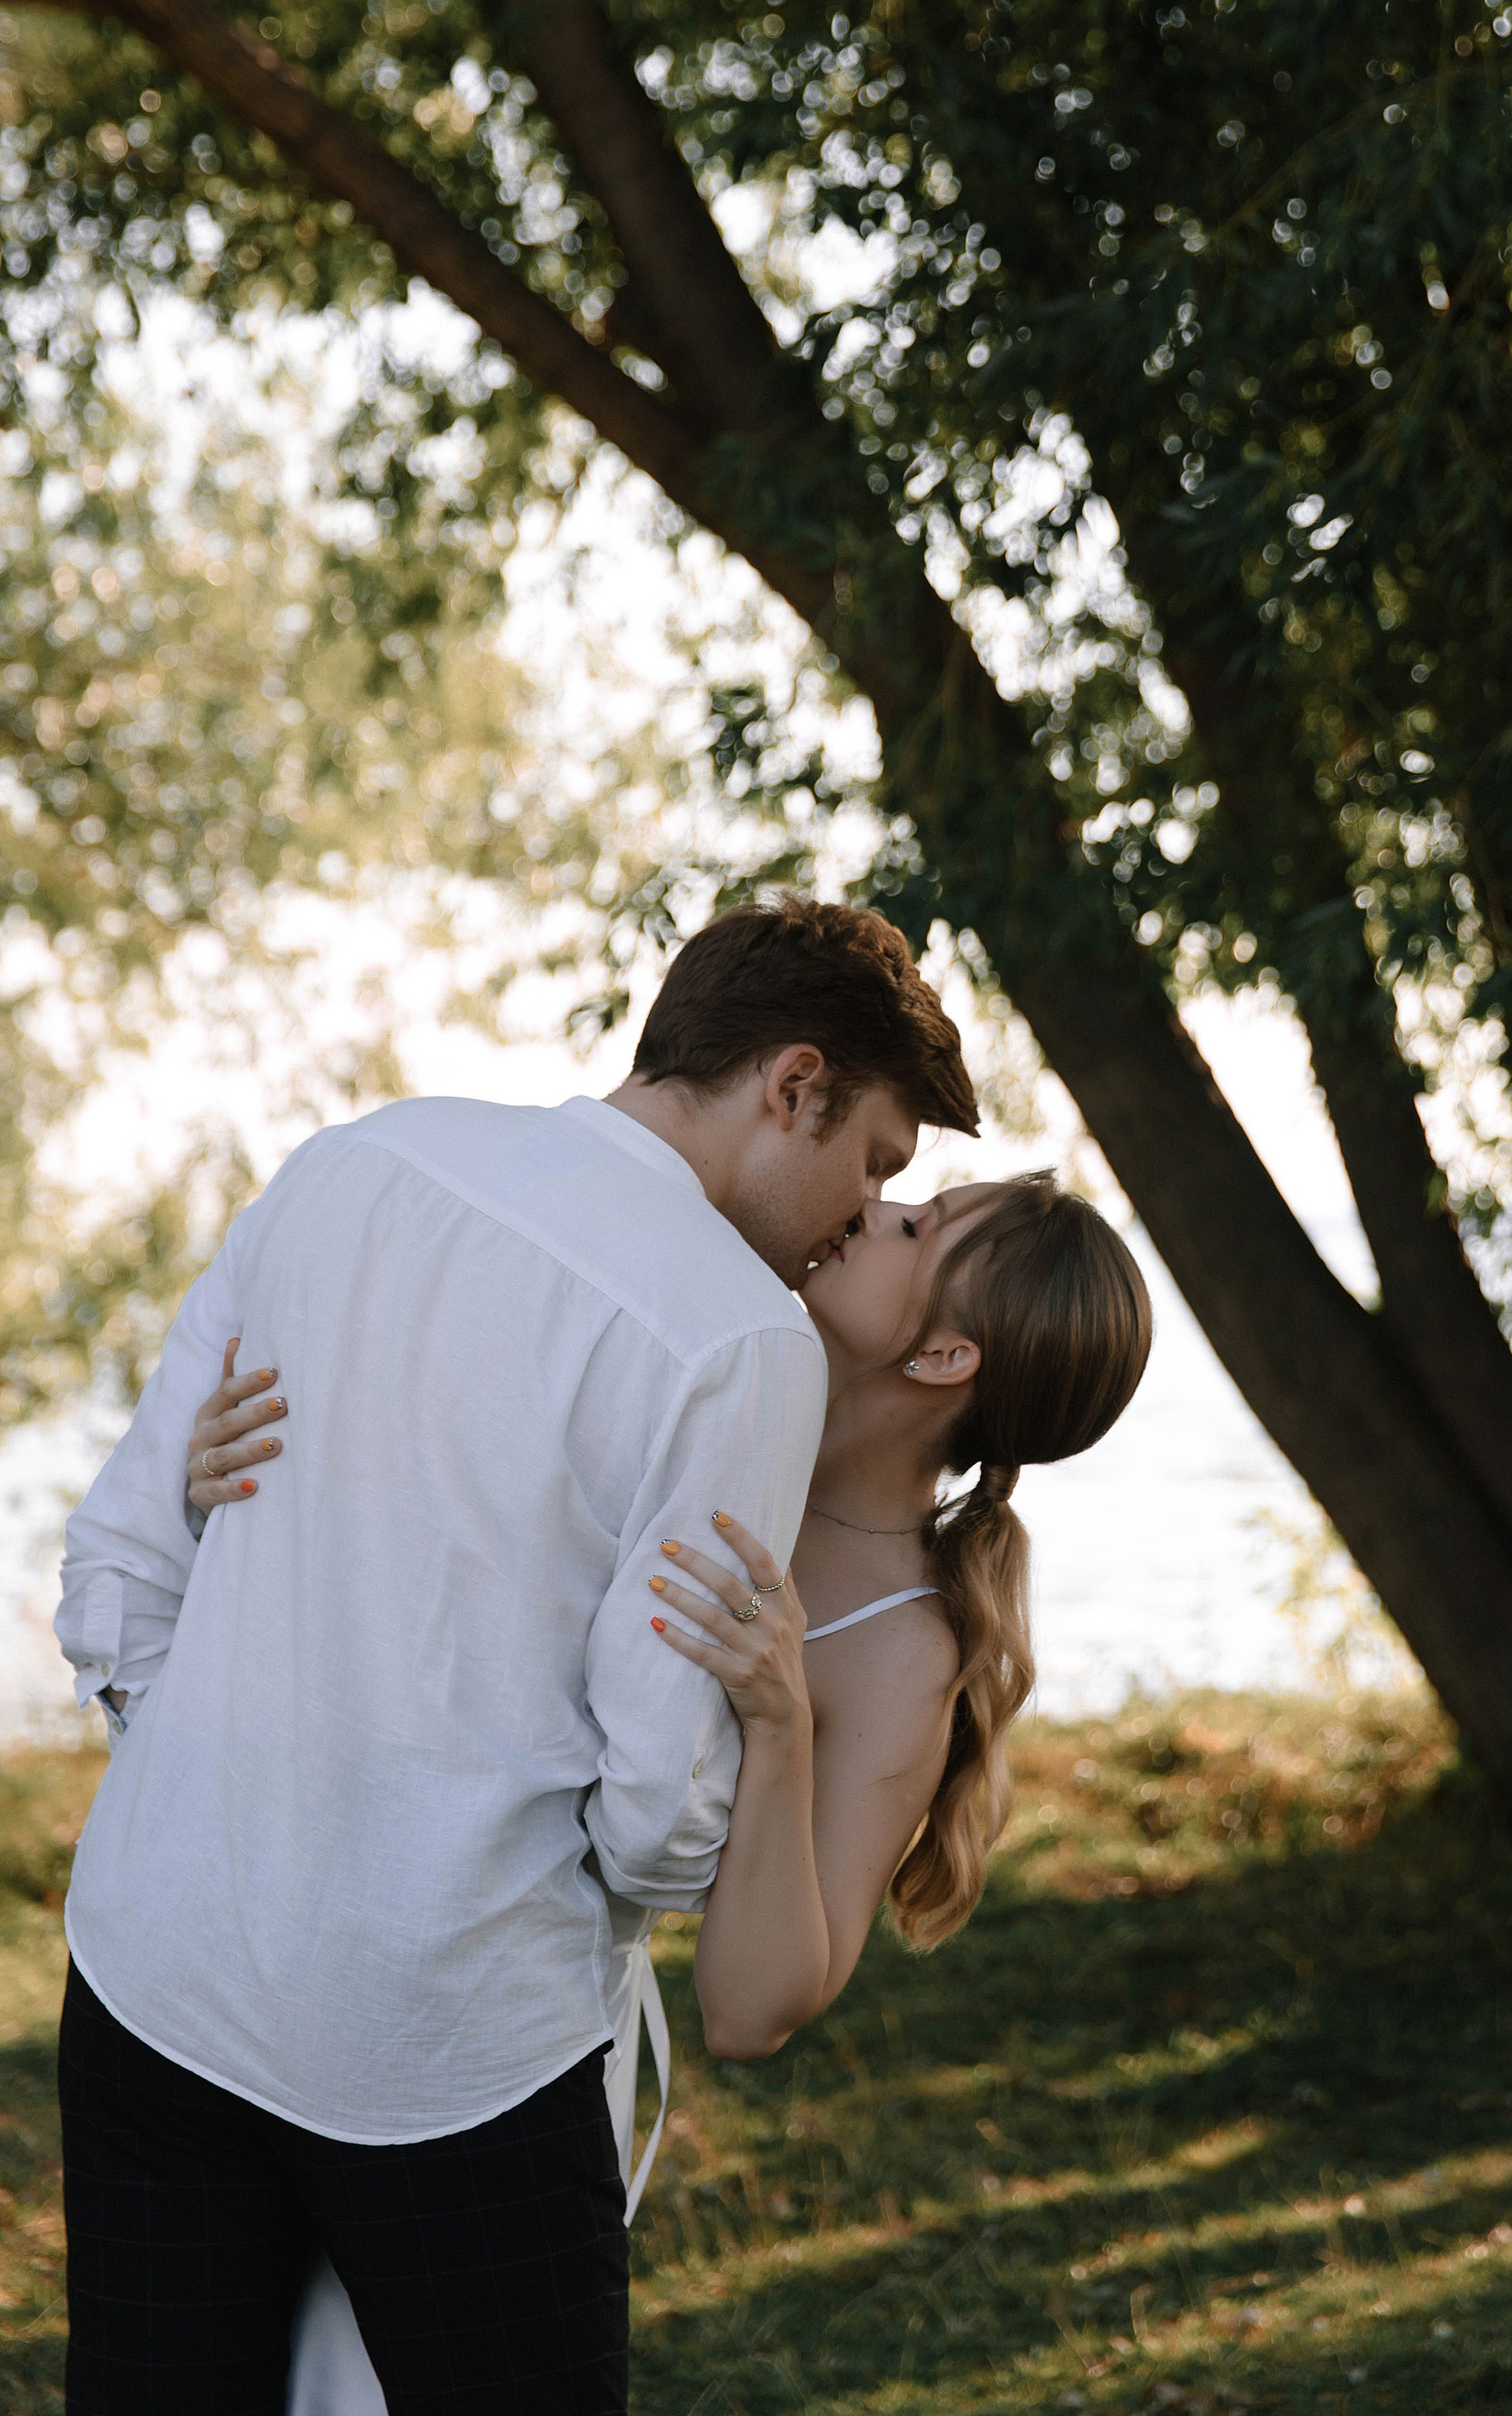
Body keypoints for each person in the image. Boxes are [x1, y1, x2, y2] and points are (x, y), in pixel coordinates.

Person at [52, 898, 979, 2416]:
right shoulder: (743, 1340)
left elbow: (120, 1575)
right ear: (792, 1085)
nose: (856, 1210)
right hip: (452, 2049)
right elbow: (661, 1817)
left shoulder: (356, 1161)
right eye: (874, 1160)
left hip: (160, 1972)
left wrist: (211, 1759)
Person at [183, 1164, 1153, 2413]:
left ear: (945, 1358)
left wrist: (781, 1716)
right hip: (281, 1936)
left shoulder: (907, 1644)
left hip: (496, 2042)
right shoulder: (702, 1386)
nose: (870, 1205)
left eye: (917, 1226)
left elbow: (754, 2008)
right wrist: (225, 1488)